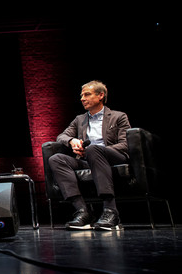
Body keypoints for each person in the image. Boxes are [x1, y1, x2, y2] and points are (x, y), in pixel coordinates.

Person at [48, 80, 131, 231]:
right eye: (81, 95)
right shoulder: (80, 120)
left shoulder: (118, 117)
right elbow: (61, 136)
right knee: (56, 159)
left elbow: (125, 145)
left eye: (87, 94)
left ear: (100, 95)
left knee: (94, 149)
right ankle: (82, 211)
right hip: (88, 159)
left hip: (113, 157)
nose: (82, 98)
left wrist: (97, 149)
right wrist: (72, 141)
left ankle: (111, 210)